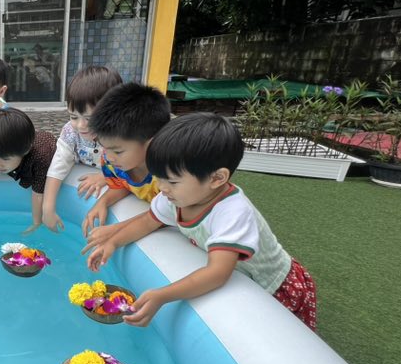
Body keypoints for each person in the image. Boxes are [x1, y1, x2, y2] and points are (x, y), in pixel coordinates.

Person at [85, 113, 318, 330]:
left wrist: (162, 295)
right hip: (239, 269)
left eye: (173, 181)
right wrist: (113, 243)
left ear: (217, 178)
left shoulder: (233, 213)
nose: (161, 188)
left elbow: (217, 273)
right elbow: (148, 221)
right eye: (159, 178)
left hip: (275, 283)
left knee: (284, 333)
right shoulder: (174, 196)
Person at [81, 83, 170, 246]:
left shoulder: (171, 175)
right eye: (104, 147)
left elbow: (167, 214)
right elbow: (123, 184)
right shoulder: (112, 161)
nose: (108, 157)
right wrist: (102, 203)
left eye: (118, 151)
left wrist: (116, 231)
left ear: (152, 143)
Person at [42, 66, 124, 232]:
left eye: (89, 118)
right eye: (73, 116)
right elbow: (58, 166)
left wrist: (105, 176)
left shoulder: (122, 133)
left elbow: (134, 169)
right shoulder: (71, 132)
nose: (81, 125)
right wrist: (48, 208)